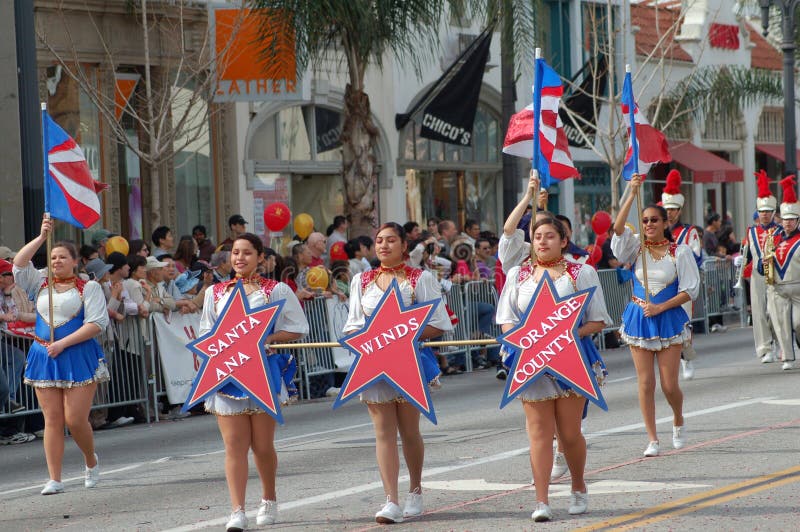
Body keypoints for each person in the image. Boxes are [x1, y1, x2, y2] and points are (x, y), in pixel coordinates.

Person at [496, 217, 610, 522]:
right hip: (532, 362)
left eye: (549, 236)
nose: (543, 241)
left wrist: (567, 336)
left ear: (564, 240)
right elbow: (506, 319)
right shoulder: (517, 275)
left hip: (571, 359)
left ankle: (578, 486)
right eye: (537, 236)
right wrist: (523, 341)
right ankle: (542, 500)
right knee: (538, 434)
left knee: (569, 434)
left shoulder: (581, 273)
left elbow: (598, 320)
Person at [343, 222, 452, 524]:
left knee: (409, 431)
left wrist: (402, 335)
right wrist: (366, 341)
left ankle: (415, 490)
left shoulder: (420, 279)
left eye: (391, 240)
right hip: (373, 364)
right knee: (383, 433)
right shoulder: (361, 281)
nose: (384, 245)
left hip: (409, 364)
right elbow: (353, 324)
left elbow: (439, 323)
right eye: (379, 240)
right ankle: (391, 499)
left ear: (405, 245)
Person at [199, 233, 308, 531]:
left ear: (261, 257)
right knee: (234, 445)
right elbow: (206, 332)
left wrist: (268, 337)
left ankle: (268, 498)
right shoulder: (216, 293)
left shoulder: (276, 291)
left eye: (247, 253)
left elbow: (298, 328)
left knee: (262, 445)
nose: (239, 258)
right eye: (235, 253)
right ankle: (237, 510)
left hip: (262, 372)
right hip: (228, 374)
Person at [13, 215, 110, 494]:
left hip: (77, 355)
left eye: (62, 258)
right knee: (52, 419)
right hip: (44, 355)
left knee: (75, 419)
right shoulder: (40, 284)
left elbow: (96, 323)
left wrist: (64, 343)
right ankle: (54, 478)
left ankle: (90, 461)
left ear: (75, 261)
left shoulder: (88, 287)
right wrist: (42, 237)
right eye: (53, 258)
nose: (56, 262)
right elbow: (18, 264)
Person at [611, 174, 699, 457]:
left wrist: (661, 307)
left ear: (665, 223)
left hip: (668, 317)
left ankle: (678, 418)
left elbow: (690, 290)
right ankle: (652, 438)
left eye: (654, 220)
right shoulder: (635, 247)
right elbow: (617, 229)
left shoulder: (680, 252)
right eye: (645, 220)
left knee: (669, 384)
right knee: (645, 382)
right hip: (639, 317)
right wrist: (631, 193)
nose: (648, 224)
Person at [661, 169, 702, 380]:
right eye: (667, 209)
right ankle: (671, 360)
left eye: (674, 209)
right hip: (662, 283)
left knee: (684, 322)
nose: (670, 213)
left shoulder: (689, 232)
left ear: (680, 210)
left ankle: (687, 358)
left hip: (682, 283)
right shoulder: (656, 230)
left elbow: (698, 257)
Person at [762, 175, 800, 371]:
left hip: (798, 286)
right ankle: (788, 357)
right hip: (778, 287)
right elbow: (763, 266)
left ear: (797, 220)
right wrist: (764, 264)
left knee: (798, 322)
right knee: (781, 325)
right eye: (785, 220)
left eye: (791, 220)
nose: (787, 223)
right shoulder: (772, 238)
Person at [746, 170, 780, 363]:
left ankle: (779, 342)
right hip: (758, 275)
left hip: (777, 274)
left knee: (774, 311)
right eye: (762, 212)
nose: (765, 215)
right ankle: (764, 348)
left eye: (768, 212)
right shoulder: (751, 232)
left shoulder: (781, 231)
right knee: (758, 312)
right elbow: (747, 254)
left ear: (774, 213)